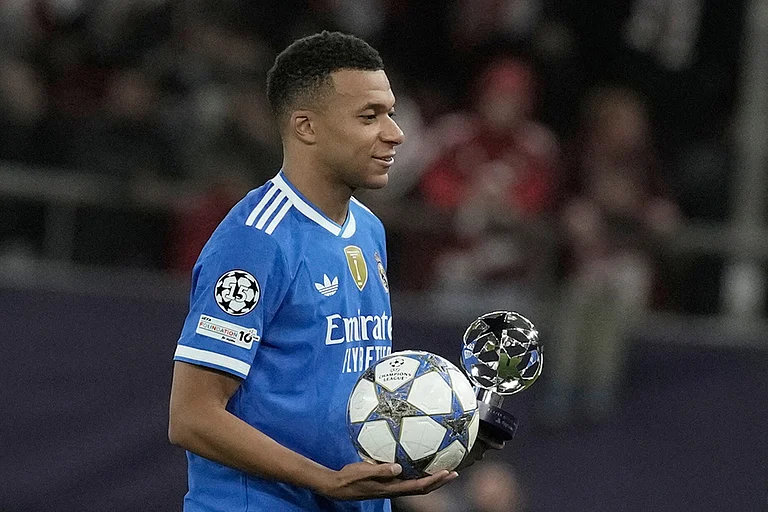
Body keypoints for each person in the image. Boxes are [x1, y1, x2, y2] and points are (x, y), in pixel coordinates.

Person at [167, 31, 458, 512]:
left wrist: (449, 431)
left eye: (391, 113)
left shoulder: (369, 229)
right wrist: (325, 481)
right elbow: (192, 417)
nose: (396, 133)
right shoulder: (256, 240)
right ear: (306, 126)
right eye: (370, 116)